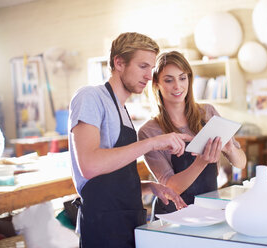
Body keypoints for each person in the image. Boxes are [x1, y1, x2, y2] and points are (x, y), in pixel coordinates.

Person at [68, 33, 190, 248]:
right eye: (143, 66)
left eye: (151, 68)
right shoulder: (90, 97)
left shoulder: (123, 110)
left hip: (128, 221)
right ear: (119, 63)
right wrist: (153, 143)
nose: (149, 76)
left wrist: (149, 187)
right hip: (103, 227)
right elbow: (89, 166)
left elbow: (113, 176)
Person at [138, 51, 246, 217]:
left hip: (209, 207)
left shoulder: (207, 112)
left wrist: (230, 149)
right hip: (174, 213)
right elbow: (170, 188)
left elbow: (241, 163)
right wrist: (201, 162)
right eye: (168, 80)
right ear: (156, 84)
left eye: (182, 78)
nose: (178, 86)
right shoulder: (149, 131)